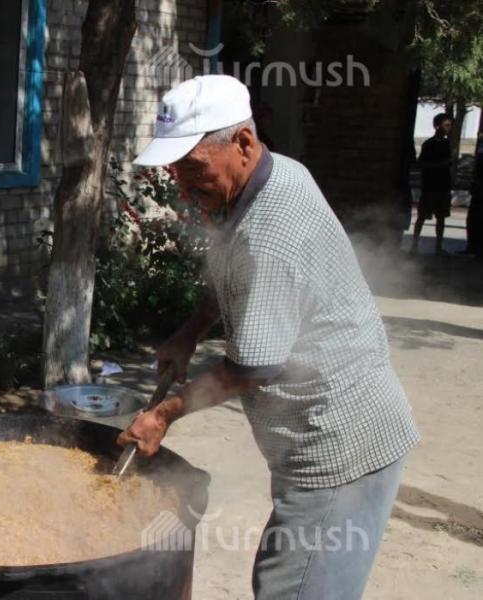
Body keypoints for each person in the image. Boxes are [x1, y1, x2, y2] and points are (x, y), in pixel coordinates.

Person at [119, 75, 419, 600]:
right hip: (323, 441)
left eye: (194, 168)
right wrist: (190, 332)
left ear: (242, 142)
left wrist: (162, 415)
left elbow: (250, 370)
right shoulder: (268, 178)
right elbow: (233, 275)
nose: (184, 187)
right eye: (176, 171)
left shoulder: (270, 230)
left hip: (339, 447)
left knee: (292, 589)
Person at [411, 113, 453, 255]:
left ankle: (438, 247)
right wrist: (440, 165)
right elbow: (421, 164)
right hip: (430, 186)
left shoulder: (447, 144)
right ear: (437, 126)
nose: (448, 128)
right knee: (422, 217)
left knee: (441, 218)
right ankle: (414, 246)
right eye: (446, 125)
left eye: (449, 126)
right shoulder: (429, 144)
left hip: (443, 186)